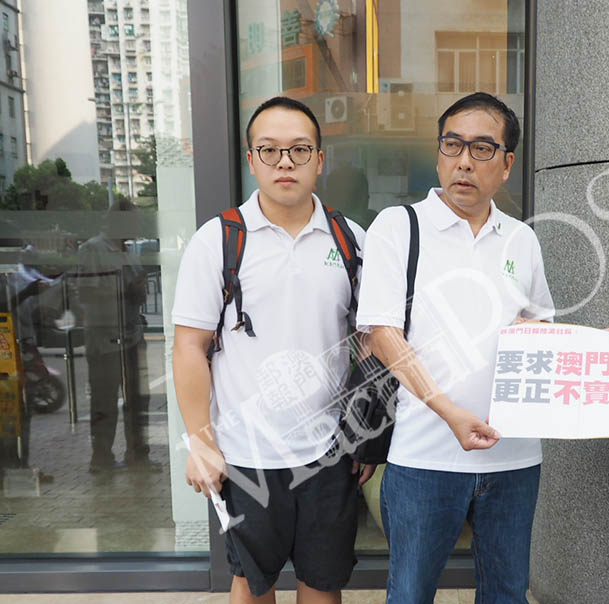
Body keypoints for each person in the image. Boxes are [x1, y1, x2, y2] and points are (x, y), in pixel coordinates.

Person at [356, 92, 555, 603]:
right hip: (425, 456)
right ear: (439, 152)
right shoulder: (399, 227)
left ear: (506, 164)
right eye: (453, 144)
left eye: (482, 148)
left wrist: (601, 344)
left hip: (514, 460)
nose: (465, 161)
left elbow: (541, 329)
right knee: (410, 593)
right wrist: (450, 413)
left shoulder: (521, 240)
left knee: (506, 593)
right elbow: (384, 335)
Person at [171, 96, 370, 604]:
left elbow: (371, 342)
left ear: (319, 160)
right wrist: (202, 442)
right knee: (251, 584)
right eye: (270, 150)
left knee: (322, 584)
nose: (285, 162)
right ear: (251, 159)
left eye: (300, 150)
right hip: (244, 452)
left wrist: (365, 435)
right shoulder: (218, 241)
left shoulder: (351, 240)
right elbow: (189, 346)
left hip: (329, 451)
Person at [76, 201, 156, 473]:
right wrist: (124, 290)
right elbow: (85, 292)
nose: (138, 227)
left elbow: (137, 291)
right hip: (105, 339)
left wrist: (138, 292)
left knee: (138, 399)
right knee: (104, 401)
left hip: (131, 335)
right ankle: (101, 458)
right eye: (134, 222)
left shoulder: (129, 251)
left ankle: (138, 454)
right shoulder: (93, 249)